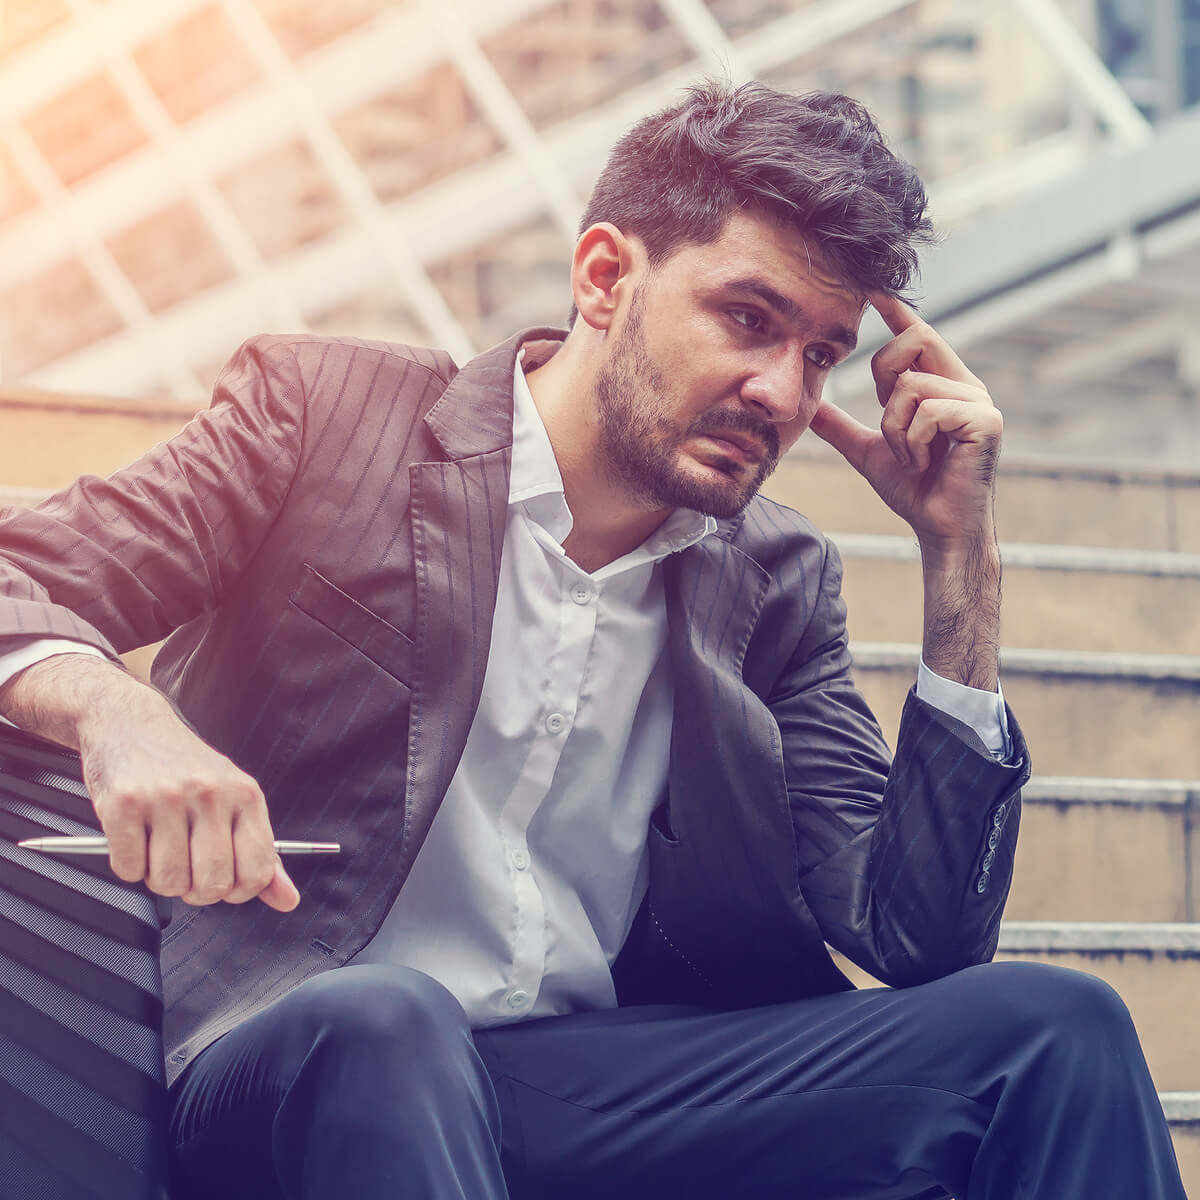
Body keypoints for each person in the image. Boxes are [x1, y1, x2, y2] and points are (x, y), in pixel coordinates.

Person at [0, 80, 1184, 1199]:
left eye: (819, 353)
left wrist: (958, 559)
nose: (780, 391)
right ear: (606, 276)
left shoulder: (774, 579)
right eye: (747, 318)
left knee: (1053, 1031)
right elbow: (22, 572)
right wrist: (119, 714)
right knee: (390, 1020)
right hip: (289, 1063)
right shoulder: (329, 418)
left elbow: (918, 934)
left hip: (581, 1083)